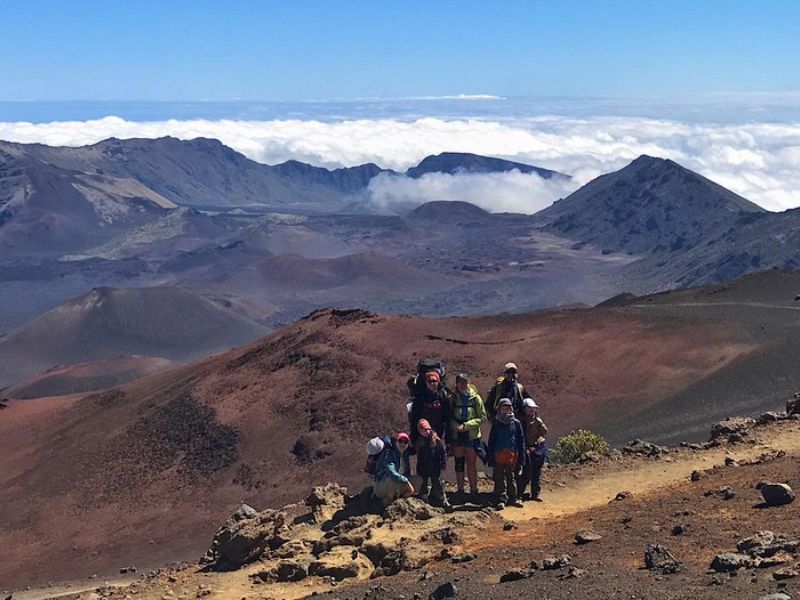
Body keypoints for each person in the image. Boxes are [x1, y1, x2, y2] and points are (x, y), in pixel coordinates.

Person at [449, 372, 487, 501]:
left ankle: (473, 490)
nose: (463, 385)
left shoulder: (475, 398)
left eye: (465, 382)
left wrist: (467, 425)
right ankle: (460, 490)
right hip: (457, 435)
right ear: (457, 384)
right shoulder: (452, 398)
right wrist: (456, 427)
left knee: (471, 464)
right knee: (459, 463)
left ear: (468, 383)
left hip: (471, 435)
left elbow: (482, 417)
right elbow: (448, 417)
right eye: (460, 382)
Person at [486, 398, 526, 508]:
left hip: (512, 455)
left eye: (507, 408)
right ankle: (501, 499)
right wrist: (490, 457)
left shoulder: (516, 423)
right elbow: (492, 440)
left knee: (511, 477)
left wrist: (521, 458)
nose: (505, 410)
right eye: (503, 408)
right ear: (499, 409)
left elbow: (520, 440)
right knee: (499, 478)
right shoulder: (496, 423)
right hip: (498, 454)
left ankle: (513, 498)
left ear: (511, 409)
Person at [373, 432, 422, 507]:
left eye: (405, 442)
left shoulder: (406, 452)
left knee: (418, 480)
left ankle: (400, 499)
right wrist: (406, 481)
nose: (402, 444)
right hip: (382, 486)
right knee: (393, 480)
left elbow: (414, 450)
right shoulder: (389, 454)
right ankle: (387, 501)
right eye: (400, 441)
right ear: (396, 442)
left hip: (399, 483)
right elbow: (392, 472)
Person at [410, 370, 452, 454]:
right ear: (425, 382)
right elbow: (414, 418)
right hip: (421, 433)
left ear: (439, 382)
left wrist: (448, 440)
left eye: (434, 381)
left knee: (437, 457)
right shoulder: (420, 397)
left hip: (439, 432)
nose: (432, 383)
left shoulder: (443, 397)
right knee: (423, 459)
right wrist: (413, 439)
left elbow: (448, 419)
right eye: (429, 381)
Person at [516, 398, 548, 502]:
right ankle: (519, 495)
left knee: (536, 473)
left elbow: (543, 433)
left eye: (533, 408)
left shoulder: (538, 421)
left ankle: (535, 494)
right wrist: (525, 448)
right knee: (526, 473)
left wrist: (537, 444)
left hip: (537, 449)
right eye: (529, 408)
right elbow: (519, 437)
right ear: (524, 409)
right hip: (526, 450)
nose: (531, 410)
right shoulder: (520, 421)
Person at [415, 418, 450, 509]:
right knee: (423, 484)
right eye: (423, 430)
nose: (426, 432)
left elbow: (442, 452)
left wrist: (443, 463)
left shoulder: (436, 440)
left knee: (438, 483)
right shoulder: (419, 441)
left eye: (427, 429)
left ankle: (443, 500)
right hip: (423, 466)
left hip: (435, 465)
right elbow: (418, 454)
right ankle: (424, 501)